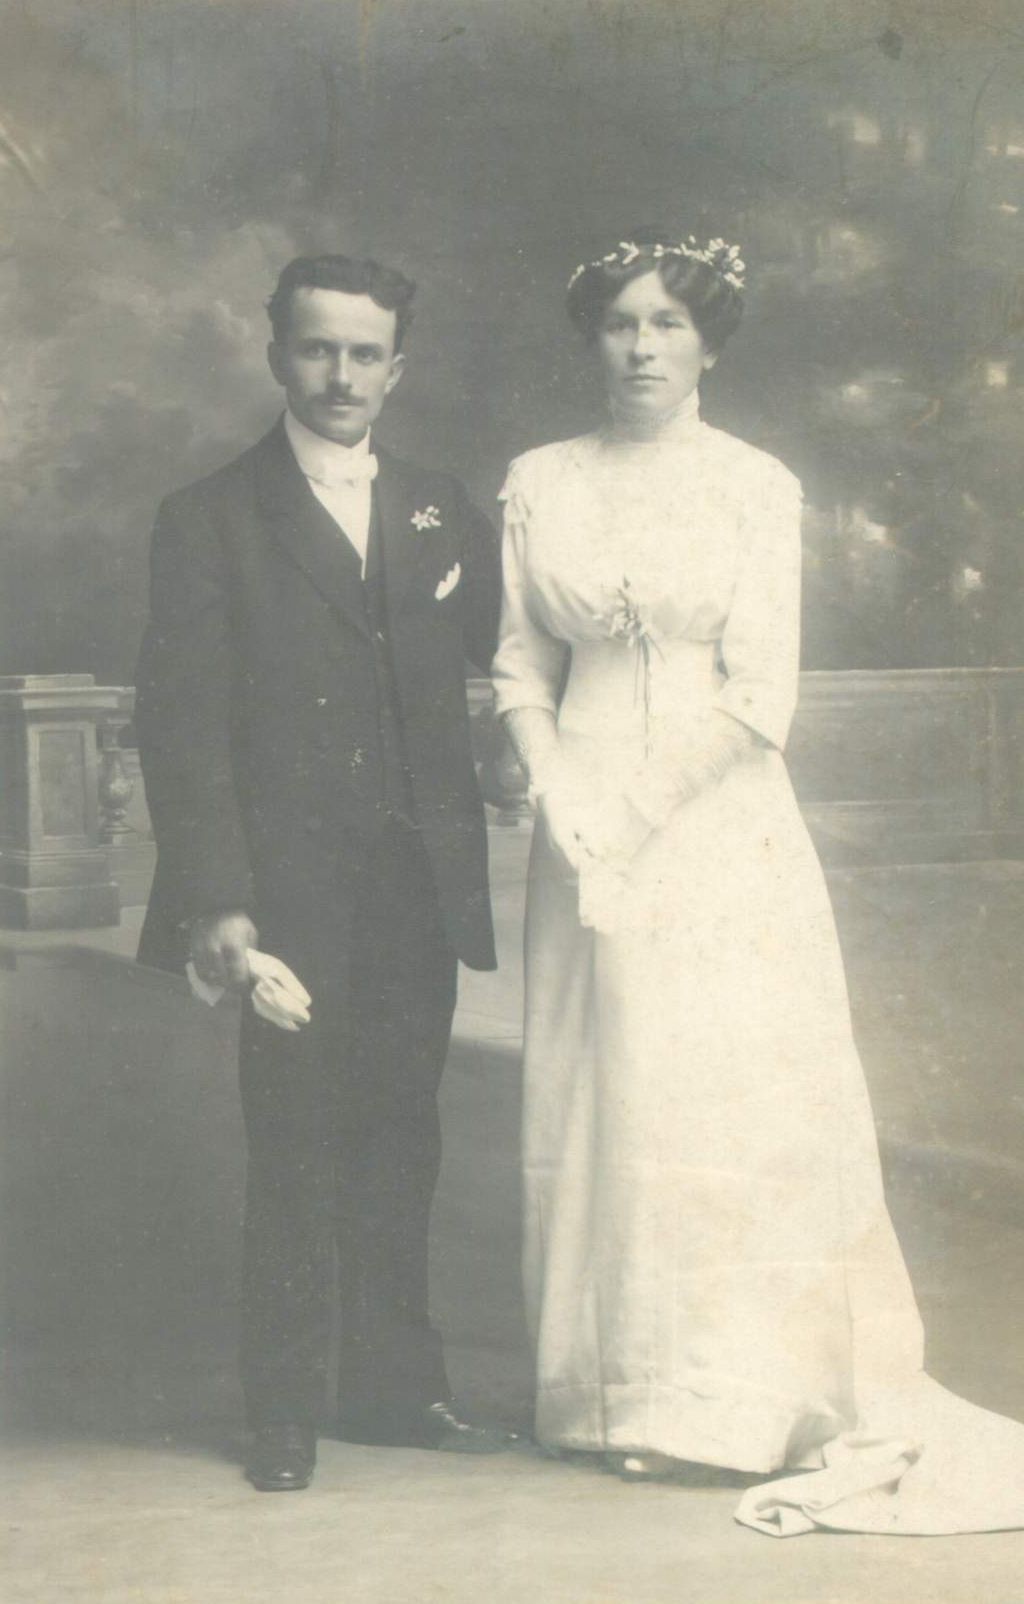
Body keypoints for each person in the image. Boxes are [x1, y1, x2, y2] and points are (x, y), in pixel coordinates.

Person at [491, 228, 1024, 1536]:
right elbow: (519, 663)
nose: (641, 347)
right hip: (576, 826)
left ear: (708, 344)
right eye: (621, 322)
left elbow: (759, 694)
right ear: (592, 337)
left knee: (719, 1093)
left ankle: (726, 1402)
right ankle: (609, 1397)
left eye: (668, 324)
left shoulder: (752, 485)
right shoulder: (539, 481)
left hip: (716, 828)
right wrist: (561, 794)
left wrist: (633, 811)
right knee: (599, 1091)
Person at [135, 253, 507, 1491]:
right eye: (317, 348)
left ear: (397, 368)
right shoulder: (210, 516)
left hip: (416, 881)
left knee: (403, 1132)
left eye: (364, 353)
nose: (340, 375)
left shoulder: (440, 505)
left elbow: (506, 656)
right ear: (276, 355)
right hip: (289, 887)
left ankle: (393, 1387)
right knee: (293, 1138)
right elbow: (181, 724)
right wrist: (220, 900)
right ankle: (284, 1404)